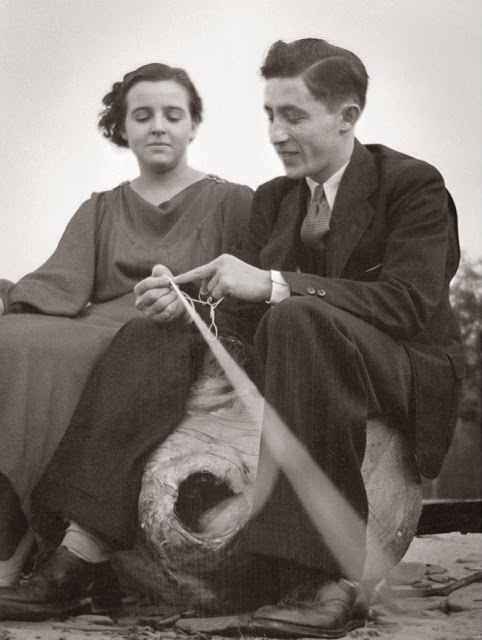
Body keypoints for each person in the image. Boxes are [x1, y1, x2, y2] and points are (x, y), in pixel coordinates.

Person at [0, 37, 463, 637]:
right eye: (269, 115)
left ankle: (324, 580)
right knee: (154, 332)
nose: (276, 134)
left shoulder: (413, 184)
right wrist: (186, 304)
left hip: (398, 364)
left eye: (293, 116)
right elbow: (241, 313)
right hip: (299, 353)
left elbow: (408, 301)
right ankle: (77, 555)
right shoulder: (274, 199)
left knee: (296, 316)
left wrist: (273, 283)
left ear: (347, 116)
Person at [0, 62, 252, 594]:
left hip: (174, 332)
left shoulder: (233, 201)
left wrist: (192, 300)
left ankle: (44, 532)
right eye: (142, 116)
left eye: (172, 115)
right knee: (12, 338)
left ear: (193, 125)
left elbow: (244, 287)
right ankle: (12, 522)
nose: (158, 126)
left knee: (101, 348)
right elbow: (59, 283)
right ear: (122, 128)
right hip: (100, 317)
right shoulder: (102, 207)